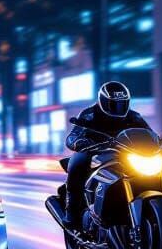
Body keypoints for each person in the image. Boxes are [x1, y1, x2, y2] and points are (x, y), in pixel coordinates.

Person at [63, 81, 151, 226]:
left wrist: (160, 142)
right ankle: (71, 212)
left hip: (124, 154)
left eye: (122, 104)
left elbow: (149, 133)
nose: (119, 108)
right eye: (114, 104)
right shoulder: (89, 114)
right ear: (103, 101)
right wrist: (79, 143)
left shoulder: (134, 117)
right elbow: (72, 136)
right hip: (95, 151)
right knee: (77, 163)